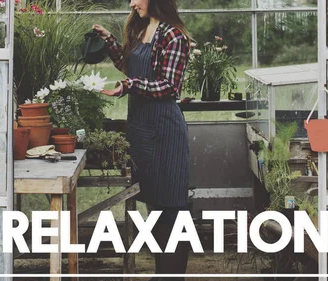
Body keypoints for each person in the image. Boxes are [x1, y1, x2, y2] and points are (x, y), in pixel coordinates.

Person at [93, 0, 191, 279]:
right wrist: (110, 42)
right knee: (155, 204)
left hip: (165, 130)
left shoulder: (173, 35)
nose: (133, 3)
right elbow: (131, 67)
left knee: (171, 206)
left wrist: (129, 86)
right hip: (142, 128)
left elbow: (169, 85)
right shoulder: (141, 31)